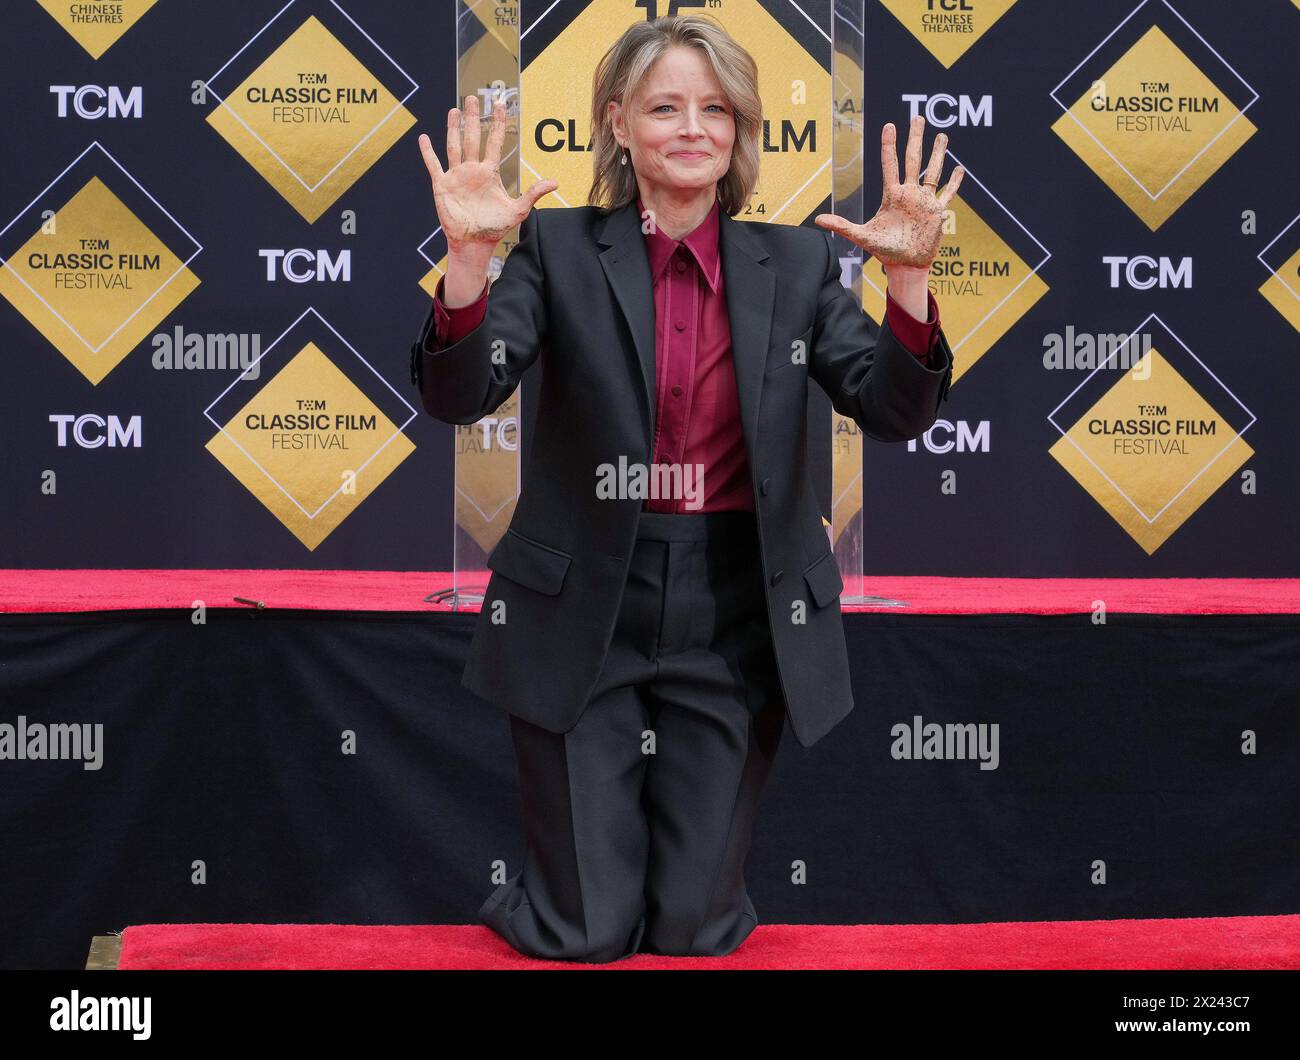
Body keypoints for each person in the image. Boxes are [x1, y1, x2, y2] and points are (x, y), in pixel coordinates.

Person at [410, 14, 960, 962]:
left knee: (696, 932)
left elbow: (893, 410)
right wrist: (467, 263)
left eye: (718, 109)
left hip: (734, 608)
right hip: (583, 601)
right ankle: (546, 904)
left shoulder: (792, 264)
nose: (694, 127)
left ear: (744, 130)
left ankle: (669, 901)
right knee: (584, 932)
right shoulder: (557, 248)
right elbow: (462, 393)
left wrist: (906, 282)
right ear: (619, 124)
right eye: (666, 107)